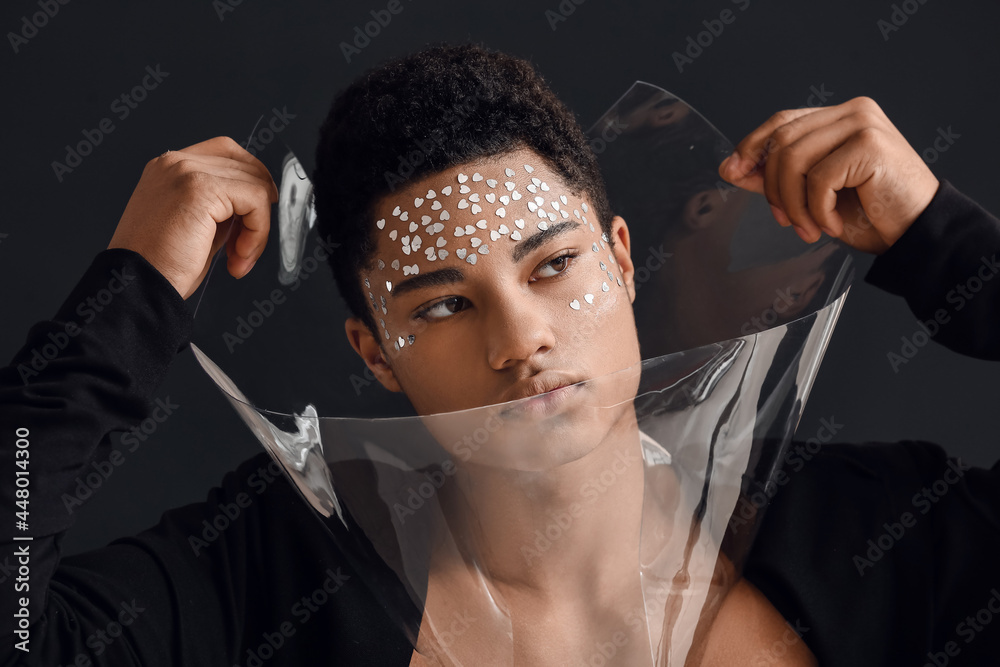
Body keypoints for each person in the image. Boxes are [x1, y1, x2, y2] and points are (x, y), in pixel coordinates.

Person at [1, 42, 997, 666]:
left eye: (555, 263)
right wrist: (128, 300)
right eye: (440, 305)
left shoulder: (875, 536)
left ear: (619, 260)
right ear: (375, 352)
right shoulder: (268, 576)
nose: (521, 338)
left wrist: (947, 243)